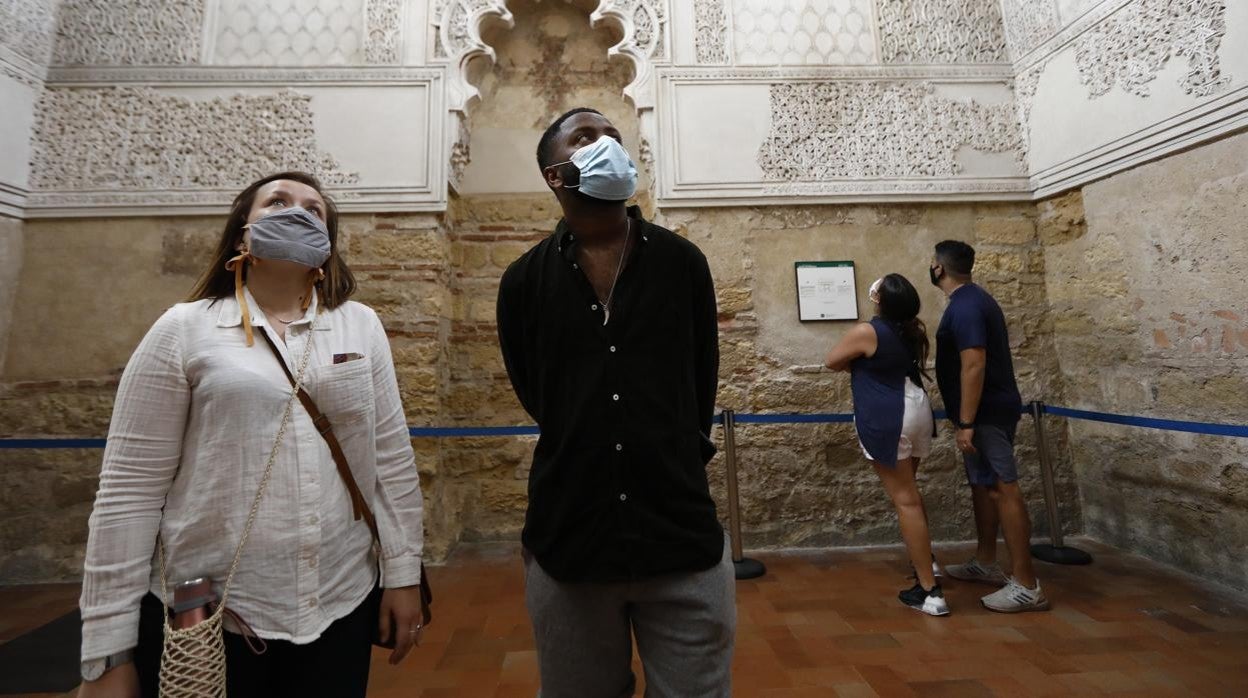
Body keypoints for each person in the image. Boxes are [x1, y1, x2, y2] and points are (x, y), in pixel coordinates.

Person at [78, 172, 427, 698]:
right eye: (277, 201)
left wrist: (402, 575)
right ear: (243, 233)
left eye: (314, 208)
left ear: (326, 245)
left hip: (340, 596)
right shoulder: (184, 328)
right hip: (216, 608)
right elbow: (129, 489)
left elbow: (390, 459)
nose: (297, 210)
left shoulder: (360, 326)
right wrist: (106, 652)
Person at [497, 108, 735, 697]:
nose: (605, 143)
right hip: (571, 539)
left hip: (678, 532)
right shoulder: (524, 282)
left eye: (612, 137)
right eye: (585, 138)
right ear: (557, 174)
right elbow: (538, 393)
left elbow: (699, 378)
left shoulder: (683, 264)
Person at [930, 240, 1050, 613]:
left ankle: (1027, 585)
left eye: (932, 264)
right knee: (983, 486)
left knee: (1002, 487)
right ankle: (984, 561)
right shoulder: (972, 301)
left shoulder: (966, 307)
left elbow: (974, 364)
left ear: (939, 268)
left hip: (985, 414)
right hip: (981, 412)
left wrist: (966, 421)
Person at [824, 274, 947, 616]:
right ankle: (927, 562)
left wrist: (857, 362)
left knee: (905, 500)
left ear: (880, 300)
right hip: (916, 407)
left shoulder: (868, 331)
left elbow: (832, 360)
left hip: (890, 414)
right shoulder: (912, 330)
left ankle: (930, 592)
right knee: (911, 494)